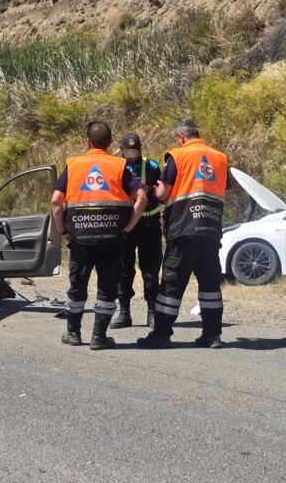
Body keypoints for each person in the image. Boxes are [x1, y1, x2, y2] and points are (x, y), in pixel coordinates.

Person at [51, 121, 147, 350]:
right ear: (110, 143)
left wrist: (62, 231)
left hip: (80, 238)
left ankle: (73, 333)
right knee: (107, 287)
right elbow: (142, 197)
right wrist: (128, 227)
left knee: (77, 286)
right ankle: (99, 337)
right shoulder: (119, 165)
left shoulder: (73, 165)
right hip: (112, 238)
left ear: (87, 142)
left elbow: (56, 201)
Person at [138, 119, 228, 349]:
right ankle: (212, 335)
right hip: (211, 230)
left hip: (184, 228)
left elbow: (164, 192)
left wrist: (157, 190)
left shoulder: (178, 156)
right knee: (210, 286)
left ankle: (161, 334)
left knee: (171, 286)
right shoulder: (219, 158)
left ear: (180, 138)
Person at [110, 132, 163, 330]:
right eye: (128, 150)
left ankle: (152, 311)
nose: (131, 153)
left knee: (150, 270)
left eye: (135, 150)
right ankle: (124, 311)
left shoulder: (151, 166)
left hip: (149, 224)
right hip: (126, 226)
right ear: (121, 149)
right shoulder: (116, 166)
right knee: (124, 269)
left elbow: (158, 190)